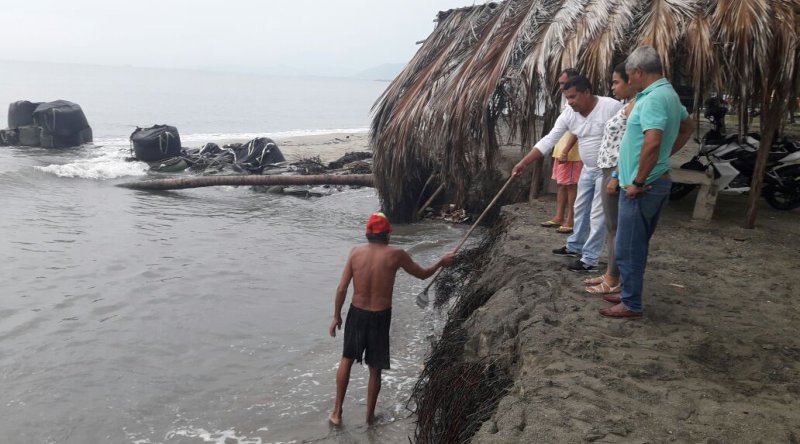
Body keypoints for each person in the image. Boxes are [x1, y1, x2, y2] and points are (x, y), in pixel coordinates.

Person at [328, 212, 455, 425]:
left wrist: (336, 316)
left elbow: (342, 288)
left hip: (356, 313)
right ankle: (369, 417)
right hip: (379, 316)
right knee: (375, 368)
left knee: (347, 359)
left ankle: (337, 413)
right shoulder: (396, 254)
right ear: (387, 234)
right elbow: (423, 274)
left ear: (368, 234)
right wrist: (441, 261)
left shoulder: (355, 253)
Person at [599, 46, 694, 318]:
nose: (628, 81)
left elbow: (652, 141)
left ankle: (631, 304)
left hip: (643, 187)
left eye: (629, 75)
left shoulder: (653, 99)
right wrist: (664, 157)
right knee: (634, 243)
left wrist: (638, 180)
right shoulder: (667, 94)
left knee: (628, 247)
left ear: (638, 72)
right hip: (651, 180)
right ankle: (629, 293)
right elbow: (687, 128)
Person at [512, 75, 623, 273]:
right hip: (587, 168)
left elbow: (628, 135)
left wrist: (618, 173)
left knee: (598, 214)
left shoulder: (611, 107)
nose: (570, 103)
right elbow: (548, 140)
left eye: (573, 97)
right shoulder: (569, 115)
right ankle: (575, 246)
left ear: (587, 92)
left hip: (608, 169)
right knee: (580, 207)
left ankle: (589, 259)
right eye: (567, 98)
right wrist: (523, 163)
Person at [584, 63, 637, 295]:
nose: (612, 87)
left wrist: (615, 175)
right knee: (612, 227)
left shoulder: (638, 105)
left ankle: (614, 278)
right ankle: (610, 273)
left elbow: (630, 144)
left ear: (631, 81)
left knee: (616, 228)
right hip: (609, 169)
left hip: (616, 171)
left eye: (616, 82)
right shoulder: (627, 104)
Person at [540, 68, 582, 234]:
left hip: (571, 152)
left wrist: (566, 150)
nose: (562, 87)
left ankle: (570, 219)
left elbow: (577, 129)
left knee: (571, 186)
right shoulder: (566, 102)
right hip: (562, 149)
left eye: (564, 83)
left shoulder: (576, 102)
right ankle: (559, 217)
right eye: (561, 84)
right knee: (561, 185)